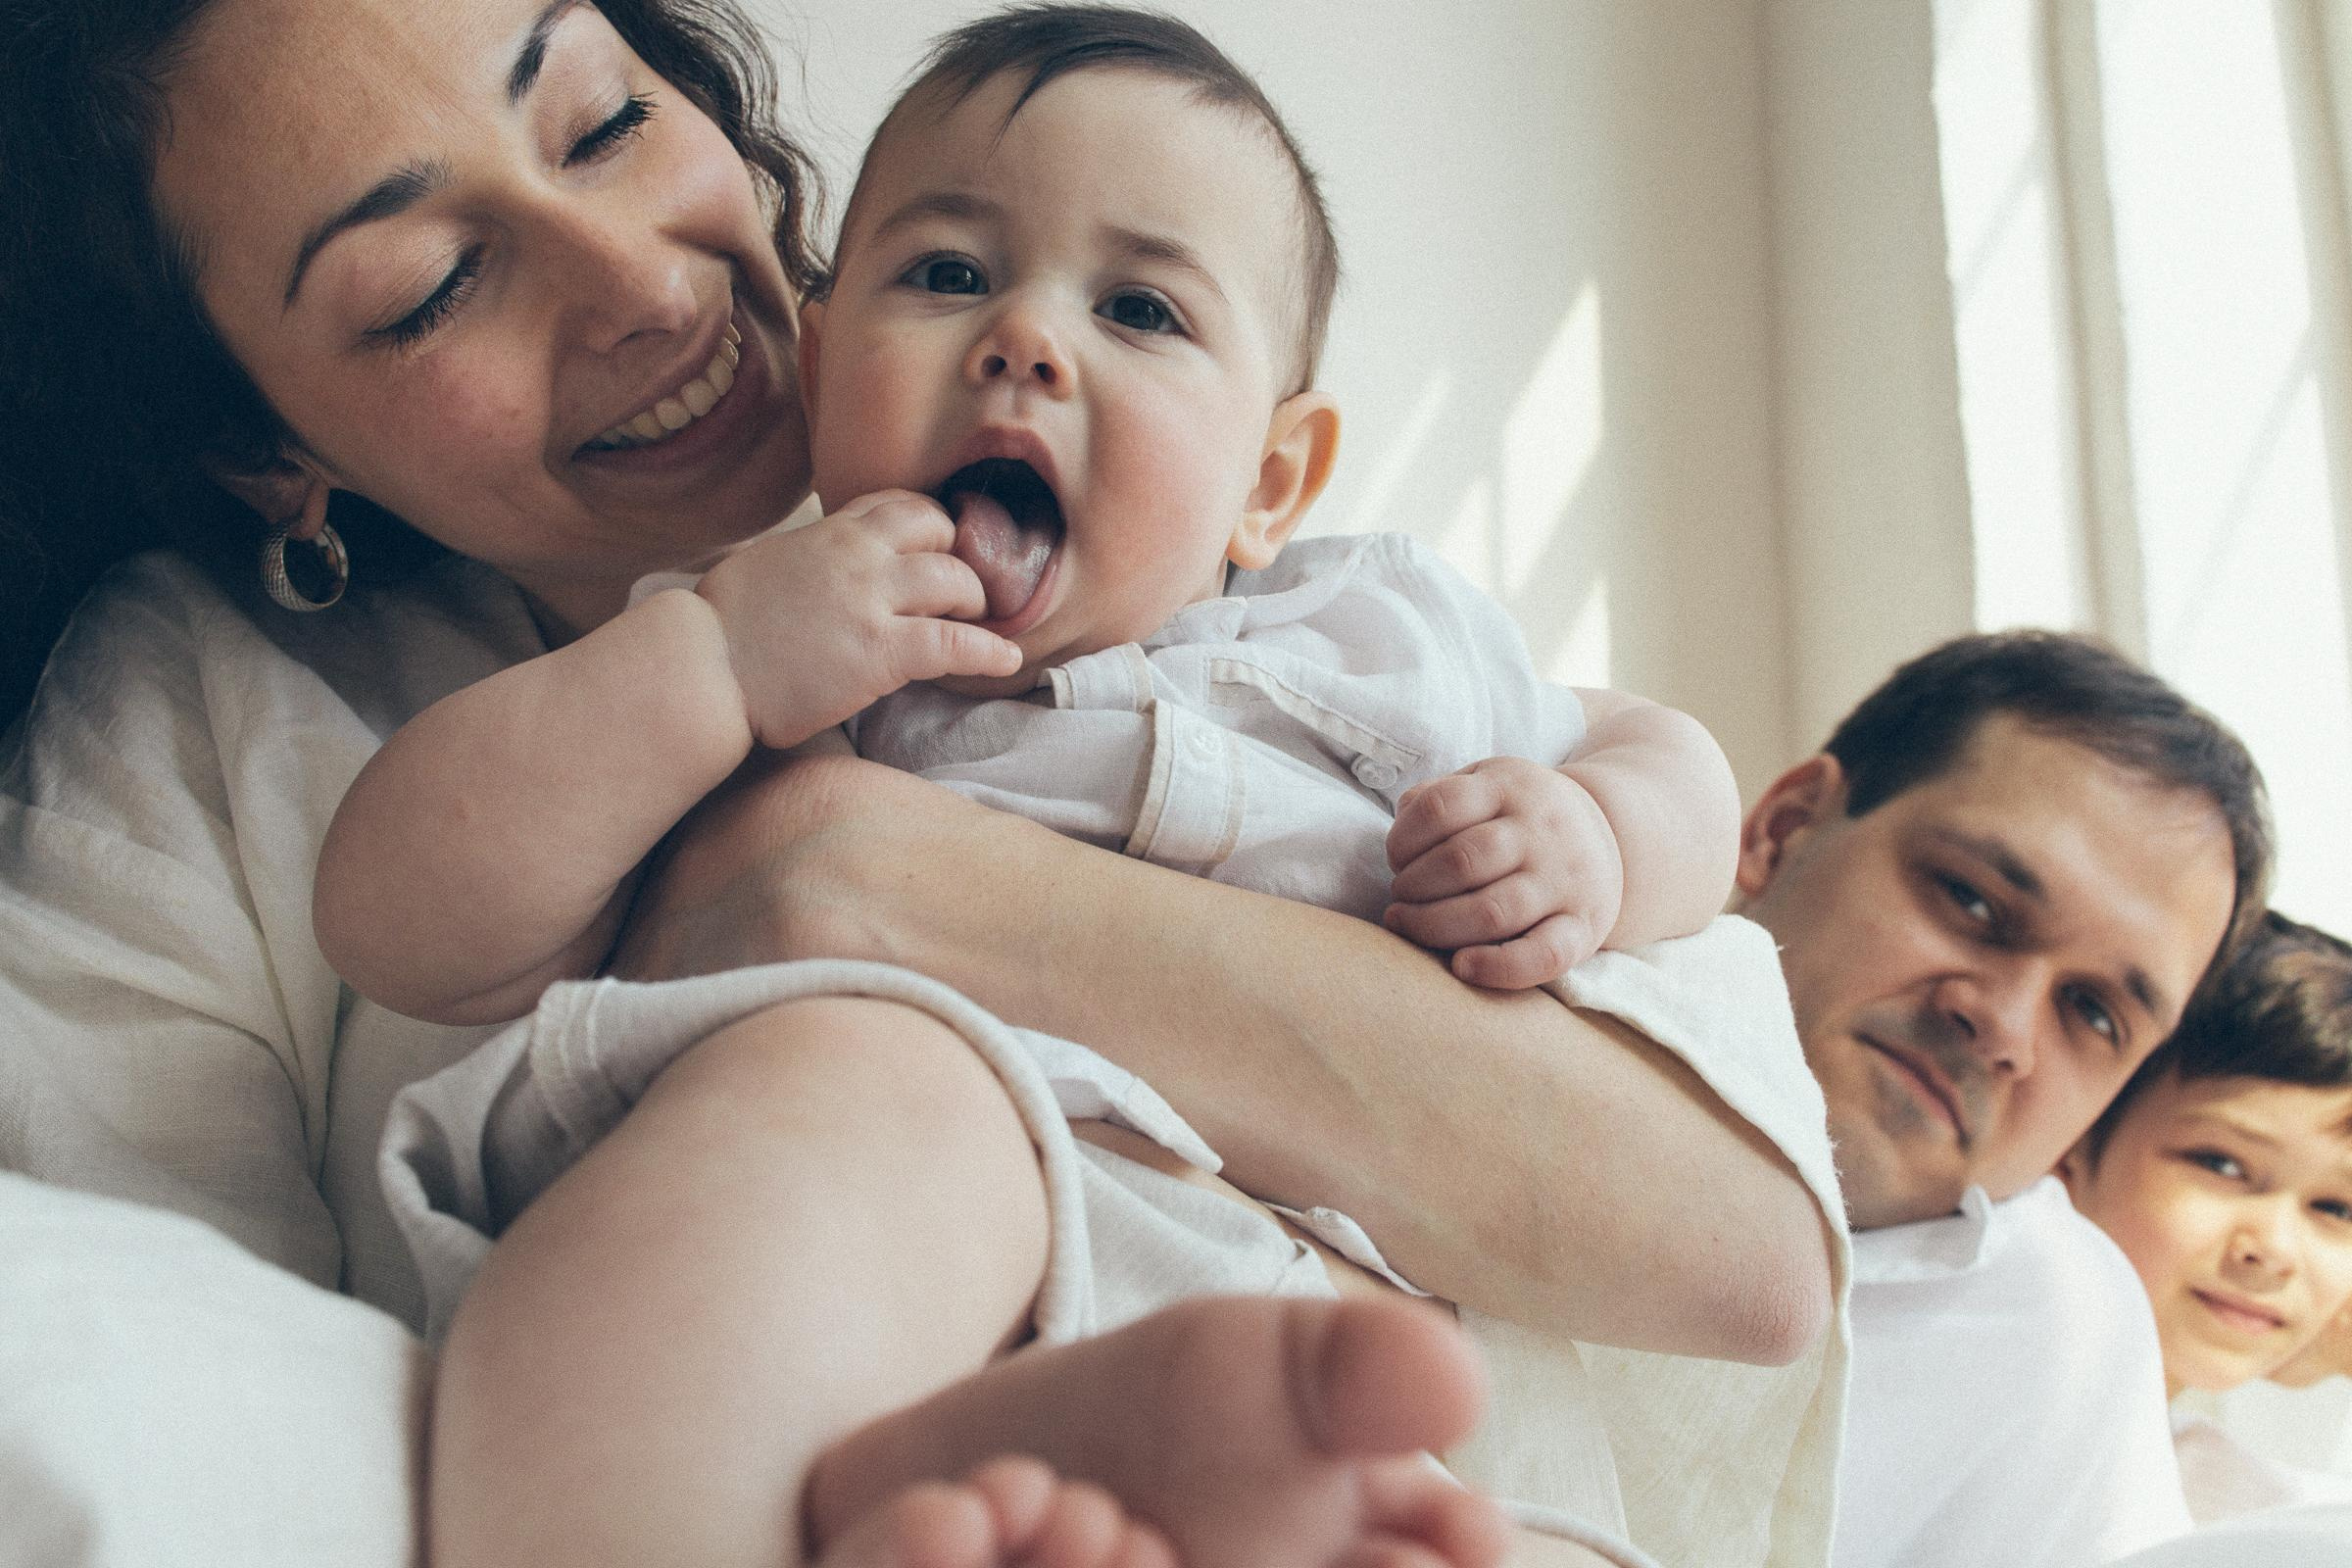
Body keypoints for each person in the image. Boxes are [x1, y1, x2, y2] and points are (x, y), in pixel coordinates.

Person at [0, 2, 1834, 1564]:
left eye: (607, 122)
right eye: (432, 286)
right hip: (846, 1270)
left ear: (1275, 478)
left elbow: (1742, 1237)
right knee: (868, 1099)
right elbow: (366, 961)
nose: (640, 285)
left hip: (1284, 1330)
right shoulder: (317, 700)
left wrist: (1607, 830)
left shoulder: (1329, 626)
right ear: (261, 449)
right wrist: (716, 667)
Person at [1723, 629, 2272, 1568]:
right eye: (1972, 902)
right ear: (1785, 829)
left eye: (2093, 1013)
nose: (2006, 1030)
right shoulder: (1509, 936)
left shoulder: (2066, 1351)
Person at [2062, 910, 2352, 1525]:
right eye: (2222, 1165)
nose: (2273, 1250)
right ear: (2077, 1139)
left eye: (2335, 1208)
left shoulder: (2240, 1505)